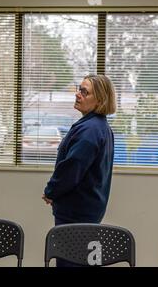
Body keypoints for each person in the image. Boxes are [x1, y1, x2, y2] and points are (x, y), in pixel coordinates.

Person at [42, 74, 117, 267]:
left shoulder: (90, 130)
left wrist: (51, 191)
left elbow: (72, 167)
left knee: (71, 262)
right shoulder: (99, 126)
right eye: (79, 89)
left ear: (100, 100)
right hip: (87, 211)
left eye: (85, 92)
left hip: (76, 215)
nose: (77, 94)